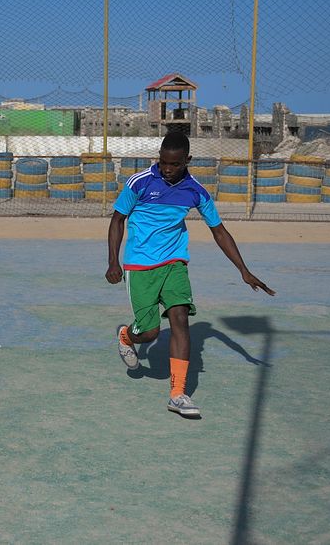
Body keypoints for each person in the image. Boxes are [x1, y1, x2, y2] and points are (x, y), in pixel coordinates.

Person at [106, 132, 274, 418]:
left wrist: (243, 270)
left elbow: (219, 230)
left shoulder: (196, 190)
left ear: (188, 161)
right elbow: (118, 219)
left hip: (174, 263)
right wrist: (113, 261)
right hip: (140, 266)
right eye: (163, 163)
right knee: (149, 333)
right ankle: (126, 335)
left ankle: (178, 394)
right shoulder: (140, 182)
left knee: (181, 320)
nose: (167, 169)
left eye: (174, 164)